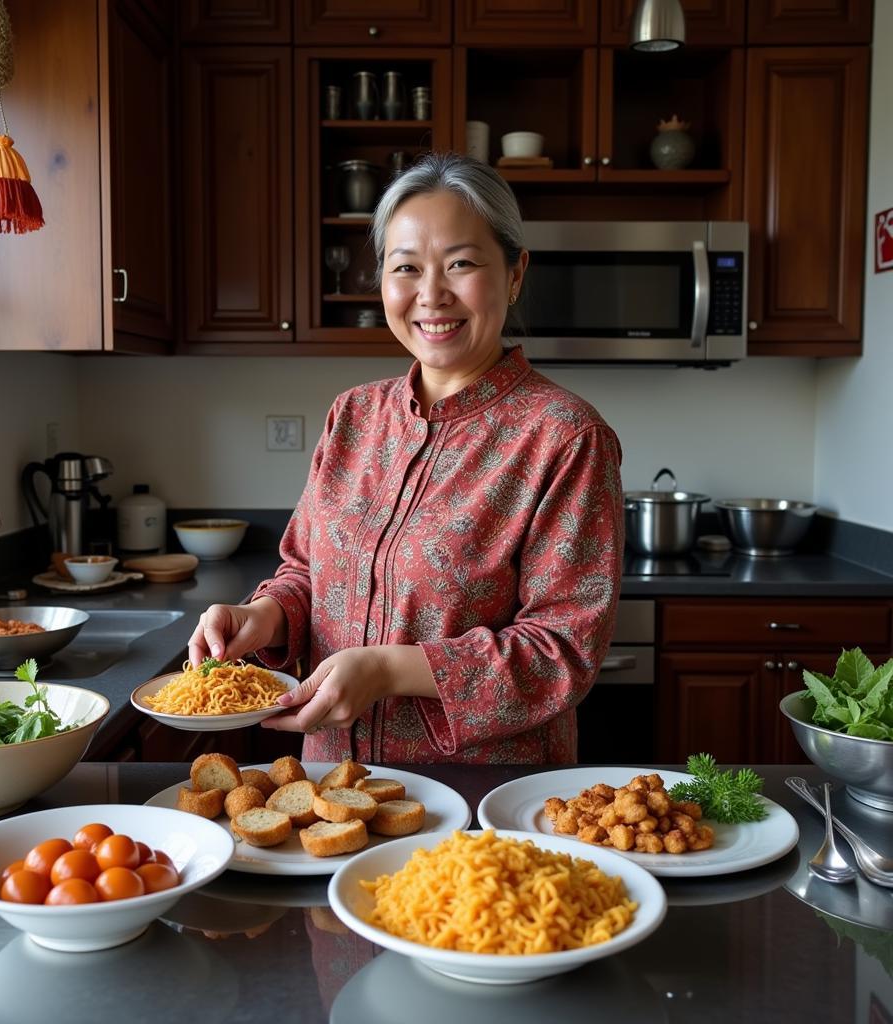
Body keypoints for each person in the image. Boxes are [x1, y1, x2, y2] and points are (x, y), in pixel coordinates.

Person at [188, 152, 623, 765]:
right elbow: (306, 574)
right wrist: (262, 615)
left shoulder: (564, 436)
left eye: (462, 264)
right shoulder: (353, 417)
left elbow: (562, 652)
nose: (431, 295)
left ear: (516, 273)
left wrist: (388, 670)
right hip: (332, 790)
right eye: (406, 268)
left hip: (481, 805)